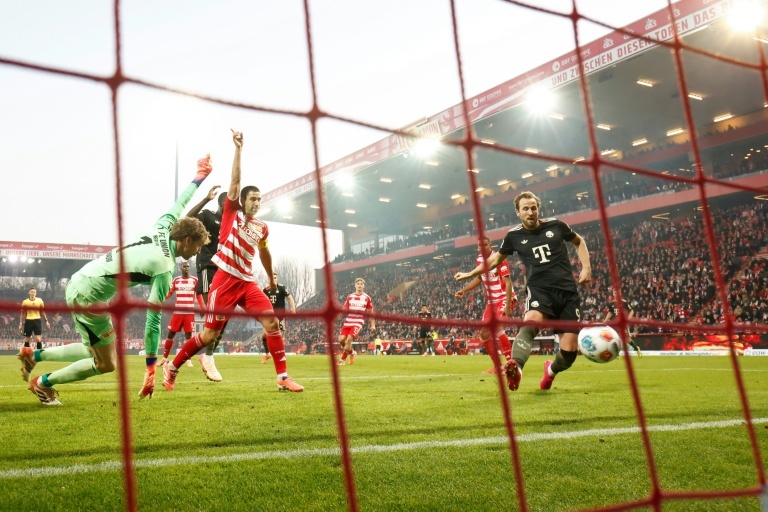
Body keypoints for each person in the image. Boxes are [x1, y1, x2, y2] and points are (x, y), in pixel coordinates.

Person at [19, 156, 213, 405]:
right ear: (187, 240)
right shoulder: (165, 268)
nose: (198, 251)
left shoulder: (163, 226)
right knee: (106, 363)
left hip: (85, 282)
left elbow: (180, 202)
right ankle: (42, 384)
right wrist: (151, 368)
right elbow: (153, 322)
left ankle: (34, 355)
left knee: (98, 349)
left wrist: (199, 177)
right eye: (198, 246)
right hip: (88, 295)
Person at [162, 129, 304, 392]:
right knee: (209, 335)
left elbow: (265, 252)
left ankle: (283, 377)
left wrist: (271, 277)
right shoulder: (231, 212)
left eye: (260, 199)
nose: (257, 203)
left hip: (247, 283)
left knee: (272, 322)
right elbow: (235, 180)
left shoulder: (261, 227)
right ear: (242, 200)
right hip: (224, 279)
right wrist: (238, 149)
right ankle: (172, 367)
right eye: (253, 199)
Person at [455, 191, 591, 391]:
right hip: (539, 290)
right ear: (518, 212)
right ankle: (516, 368)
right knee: (531, 322)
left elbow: (579, 241)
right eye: (525, 209)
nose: (530, 212)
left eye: (533, 208)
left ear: (538, 209)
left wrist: (586, 267)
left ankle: (550, 371)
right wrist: (470, 273)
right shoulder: (514, 236)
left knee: (569, 353)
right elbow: (494, 260)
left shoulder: (557, 225)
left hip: (567, 293)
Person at [454, 236, 517, 384]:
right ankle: (497, 366)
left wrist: (508, 305)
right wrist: (464, 290)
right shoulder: (479, 261)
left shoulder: (499, 259)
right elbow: (480, 278)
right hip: (492, 302)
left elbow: (508, 283)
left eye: (485, 245)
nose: (482, 248)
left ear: (490, 245)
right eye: (479, 245)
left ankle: (510, 365)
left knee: (497, 328)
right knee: (483, 334)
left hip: (504, 298)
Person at [185, 186, 226, 381]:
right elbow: (189, 218)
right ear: (221, 204)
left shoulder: (232, 223)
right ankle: (207, 357)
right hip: (208, 267)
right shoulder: (209, 216)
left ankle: (203, 356)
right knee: (214, 312)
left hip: (224, 269)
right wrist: (205, 199)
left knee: (223, 316)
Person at [159, 261, 202, 367]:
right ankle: (164, 358)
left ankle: (188, 359)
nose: (186, 268)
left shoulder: (194, 280)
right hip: (177, 313)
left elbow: (198, 295)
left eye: (188, 266)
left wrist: (202, 307)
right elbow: (169, 293)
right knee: (170, 334)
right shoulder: (176, 280)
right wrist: (160, 298)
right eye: (184, 266)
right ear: (180, 268)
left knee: (188, 336)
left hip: (189, 313)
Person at [337, 278, 375, 365]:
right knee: (341, 340)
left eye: (361, 284)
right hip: (348, 321)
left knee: (349, 339)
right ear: (355, 285)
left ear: (363, 286)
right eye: (358, 284)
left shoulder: (367, 298)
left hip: (358, 322)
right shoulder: (350, 297)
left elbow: (371, 313)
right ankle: (352, 352)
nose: (359, 285)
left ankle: (342, 360)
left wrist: (373, 325)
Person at [260, 271, 296, 364]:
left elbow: (290, 298)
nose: (274, 280)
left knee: (278, 336)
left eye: (275, 278)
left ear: (277, 279)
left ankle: (280, 356)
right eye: (272, 278)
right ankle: (267, 354)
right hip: (269, 316)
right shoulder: (265, 290)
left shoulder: (281, 288)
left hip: (279, 316)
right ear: (269, 279)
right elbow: (260, 301)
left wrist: (293, 310)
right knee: (263, 335)